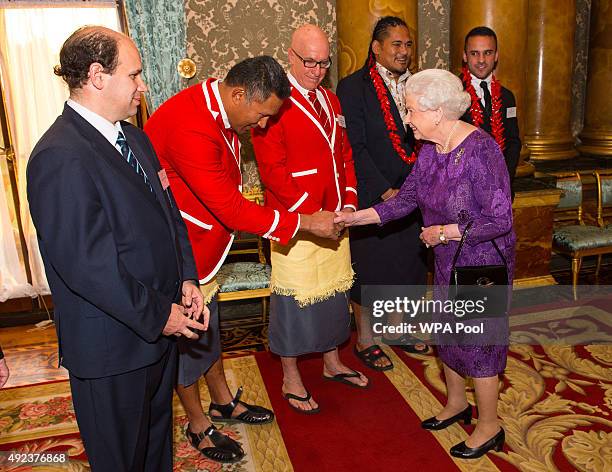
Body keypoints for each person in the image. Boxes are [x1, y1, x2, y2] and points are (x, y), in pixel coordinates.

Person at [27, 27, 208, 471]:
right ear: (97, 76)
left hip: (155, 332)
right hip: (111, 347)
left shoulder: (134, 137)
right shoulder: (60, 154)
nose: (143, 85)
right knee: (121, 461)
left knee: (153, 451)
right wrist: (159, 315)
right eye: (135, 74)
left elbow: (169, 216)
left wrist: (186, 275)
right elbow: (88, 266)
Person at [145, 56, 341, 462]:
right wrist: (305, 222)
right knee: (188, 343)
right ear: (238, 94)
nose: (264, 125)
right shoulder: (190, 125)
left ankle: (222, 402)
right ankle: (198, 422)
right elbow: (230, 208)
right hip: (182, 253)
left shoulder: (224, 103)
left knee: (208, 335)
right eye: (262, 114)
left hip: (207, 247)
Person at [335, 69, 515, 459]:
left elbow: (501, 220)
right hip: (448, 260)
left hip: (483, 262)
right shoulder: (431, 149)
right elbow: (405, 201)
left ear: (437, 112)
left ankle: (489, 426)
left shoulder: (481, 150)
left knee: (480, 344)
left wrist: (445, 232)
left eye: (412, 110)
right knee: (447, 334)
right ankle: (456, 404)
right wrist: (355, 217)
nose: (407, 118)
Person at [251, 24, 369, 414]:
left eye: (323, 63)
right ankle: (290, 375)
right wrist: (310, 213)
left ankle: (333, 362)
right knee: (295, 301)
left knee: (335, 294)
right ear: (290, 56)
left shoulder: (332, 102)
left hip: (335, 217)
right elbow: (272, 171)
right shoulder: (274, 102)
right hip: (297, 221)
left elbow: (346, 157)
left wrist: (348, 204)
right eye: (309, 62)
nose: (317, 71)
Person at [336, 16, 428, 371]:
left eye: (408, 45)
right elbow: (354, 146)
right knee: (371, 267)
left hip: (414, 193)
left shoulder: (418, 86)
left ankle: (401, 329)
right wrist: (383, 190)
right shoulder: (352, 87)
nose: (404, 52)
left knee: (409, 265)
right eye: (396, 44)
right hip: (375, 195)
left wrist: (417, 188)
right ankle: (366, 338)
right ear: (376, 48)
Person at [459, 26, 520, 194]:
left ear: (496, 55)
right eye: (474, 53)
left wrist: (503, 178)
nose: (481, 60)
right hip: (464, 191)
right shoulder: (453, 93)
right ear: (465, 56)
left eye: (487, 53)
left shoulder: (507, 97)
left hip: (501, 191)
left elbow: (513, 142)